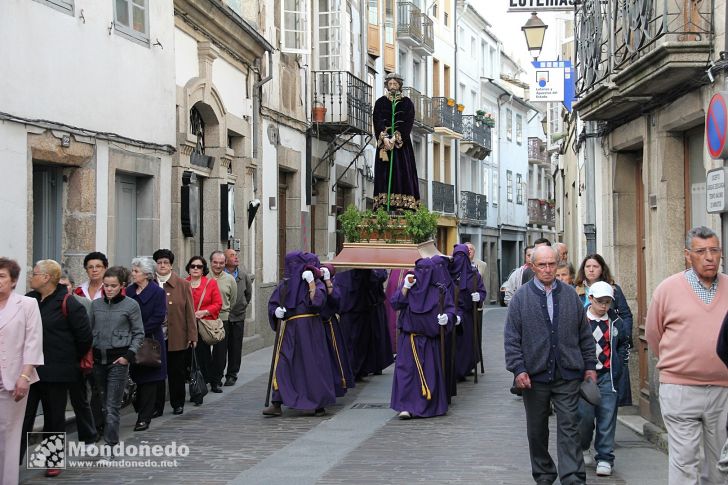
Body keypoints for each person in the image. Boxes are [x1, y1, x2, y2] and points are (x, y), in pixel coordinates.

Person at [504, 245, 597, 485]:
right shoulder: (521, 298)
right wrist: (518, 369)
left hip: (567, 374)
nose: (547, 269)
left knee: (569, 428)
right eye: (542, 265)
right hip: (534, 376)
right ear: (533, 267)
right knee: (537, 431)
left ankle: (573, 478)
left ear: (558, 264)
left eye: (552, 264)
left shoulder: (570, 296)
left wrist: (589, 366)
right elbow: (512, 338)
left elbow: (584, 335)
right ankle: (544, 474)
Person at [646, 226, 728, 485]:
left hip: (723, 391)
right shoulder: (667, 290)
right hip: (680, 389)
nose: (709, 257)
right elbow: (653, 335)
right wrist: (678, 366)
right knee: (685, 463)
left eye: (714, 251)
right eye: (701, 251)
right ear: (687, 255)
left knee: (720, 467)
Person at [21, 259, 93, 477]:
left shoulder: (68, 303)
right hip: (28, 370)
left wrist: (67, 359)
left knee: (53, 417)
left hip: (57, 372)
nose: (31, 277)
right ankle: (10, 460)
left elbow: (84, 338)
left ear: (46, 277)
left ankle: (53, 460)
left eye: (34, 273)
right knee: (23, 417)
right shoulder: (28, 300)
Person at [263, 251, 335, 417]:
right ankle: (277, 401)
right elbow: (273, 303)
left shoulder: (317, 283)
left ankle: (318, 402)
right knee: (283, 363)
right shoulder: (285, 285)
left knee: (313, 364)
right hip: (291, 329)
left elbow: (318, 302)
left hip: (311, 329)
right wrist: (276, 312)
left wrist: (311, 284)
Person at [90, 266, 144, 461]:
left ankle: (110, 445)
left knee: (112, 406)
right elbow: (88, 331)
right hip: (98, 360)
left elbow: (139, 333)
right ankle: (100, 436)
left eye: (113, 286)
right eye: (106, 286)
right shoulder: (95, 305)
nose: (109, 289)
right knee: (101, 403)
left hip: (118, 361)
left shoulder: (131, 305)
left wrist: (127, 356)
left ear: (122, 286)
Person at [390, 258, 455, 419]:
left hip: (430, 341)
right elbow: (396, 303)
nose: (423, 274)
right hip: (409, 339)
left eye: (426, 271)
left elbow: (450, 309)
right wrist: (405, 287)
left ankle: (427, 406)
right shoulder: (410, 287)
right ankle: (405, 406)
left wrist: (447, 317)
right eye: (420, 270)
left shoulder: (440, 290)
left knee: (429, 374)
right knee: (406, 373)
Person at [577, 281, 629, 477]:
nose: (604, 306)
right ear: (590, 299)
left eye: (607, 302)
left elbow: (623, 344)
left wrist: (619, 367)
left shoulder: (616, 322)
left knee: (607, 416)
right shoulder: (581, 320)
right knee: (584, 416)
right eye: (600, 302)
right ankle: (583, 447)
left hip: (608, 375)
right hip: (586, 377)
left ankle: (605, 457)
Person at [0, 258, 43, 485]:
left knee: (9, 433)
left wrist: (25, 376)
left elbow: (33, 343)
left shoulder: (27, 305)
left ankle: (8, 480)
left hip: (18, 378)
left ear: (14, 280)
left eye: (1, 276)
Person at [574, 253, 634, 406]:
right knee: (585, 410)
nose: (591, 270)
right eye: (588, 266)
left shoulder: (613, 289)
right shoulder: (576, 290)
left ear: (602, 269)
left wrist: (622, 335)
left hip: (608, 344)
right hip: (585, 345)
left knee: (607, 404)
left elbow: (626, 315)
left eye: (595, 266)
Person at [153, 249, 197, 416]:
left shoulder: (182, 284)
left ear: (171, 265)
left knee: (176, 372)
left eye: (166, 262)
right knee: (156, 373)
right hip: (155, 338)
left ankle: (177, 402)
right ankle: (156, 406)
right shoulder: (151, 283)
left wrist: (192, 335)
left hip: (177, 335)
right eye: (159, 262)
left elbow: (189, 312)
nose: (162, 265)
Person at [127, 257, 167, 431]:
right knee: (136, 377)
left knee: (150, 379)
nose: (133, 274)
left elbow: (159, 316)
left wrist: (139, 330)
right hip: (130, 341)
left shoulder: (157, 292)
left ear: (146, 274)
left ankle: (145, 418)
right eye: (133, 270)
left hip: (150, 340)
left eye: (136, 271)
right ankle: (139, 409)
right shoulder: (129, 291)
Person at [59, 272, 98, 448]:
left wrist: (80, 355)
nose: (62, 289)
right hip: (53, 361)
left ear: (72, 286)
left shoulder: (83, 303)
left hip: (75, 359)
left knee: (79, 399)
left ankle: (88, 434)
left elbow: (87, 332)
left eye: (65, 285)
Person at [372, 72, 419, 212]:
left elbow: (407, 123)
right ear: (387, 85)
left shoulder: (407, 103)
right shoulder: (380, 102)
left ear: (399, 86)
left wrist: (395, 138)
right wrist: (384, 138)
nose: (392, 86)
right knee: (383, 173)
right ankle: (382, 204)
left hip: (401, 146)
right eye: (390, 84)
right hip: (384, 145)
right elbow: (377, 120)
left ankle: (401, 205)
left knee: (401, 172)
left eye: (395, 84)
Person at [336, 269, 394, 380]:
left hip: (357, 308)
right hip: (360, 308)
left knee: (355, 342)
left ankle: (356, 370)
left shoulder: (347, 271)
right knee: (356, 343)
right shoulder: (359, 271)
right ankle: (354, 371)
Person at [186, 256, 222, 400]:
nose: (195, 269)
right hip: (187, 325)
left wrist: (204, 312)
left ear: (203, 269)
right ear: (188, 268)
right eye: (193, 266)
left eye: (199, 267)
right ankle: (195, 383)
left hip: (203, 325)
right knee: (188, 358)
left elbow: (218, 304)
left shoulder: (210, 283)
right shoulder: (183, 283)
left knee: (202, 356)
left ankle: (202, 384)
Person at [449, 244, 486, 381]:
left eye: (462, 257)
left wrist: (479, 297)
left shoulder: (474, 275)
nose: (459, 260)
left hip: (467, 314)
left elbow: (482, 291)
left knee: (466, 344)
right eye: (456, 256)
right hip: (451, 314)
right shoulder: (447, 273)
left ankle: (463, 370)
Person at [320, 263, 355, 398]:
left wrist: (329, 283)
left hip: (329, 325)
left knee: (333, 357)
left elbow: (337, 301)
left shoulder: (334, 284)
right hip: (314, 326)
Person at [207, 250, 237, 393]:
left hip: (222, 319)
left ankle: (216, 380)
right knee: (203, 351)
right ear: (210, 262)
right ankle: (205, 377)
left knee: (220, 352)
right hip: (204, 319)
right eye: (215, 262)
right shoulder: (204, 277)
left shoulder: (230, 279)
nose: (218, 265)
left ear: (225, 263)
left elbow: (234, 299)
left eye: (221, 263)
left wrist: (224, 311)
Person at [222, 248, 252, 387]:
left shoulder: (243, 275)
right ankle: (217, 374)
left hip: (238, 316)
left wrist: (243, 305)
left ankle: (232, 374)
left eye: (236, 255)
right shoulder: (221, 275)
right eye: (232, 255)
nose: (236, 257)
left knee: (235, 347)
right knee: (221, 347)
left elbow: (248, 294)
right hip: (222, 317)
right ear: (225, 260)